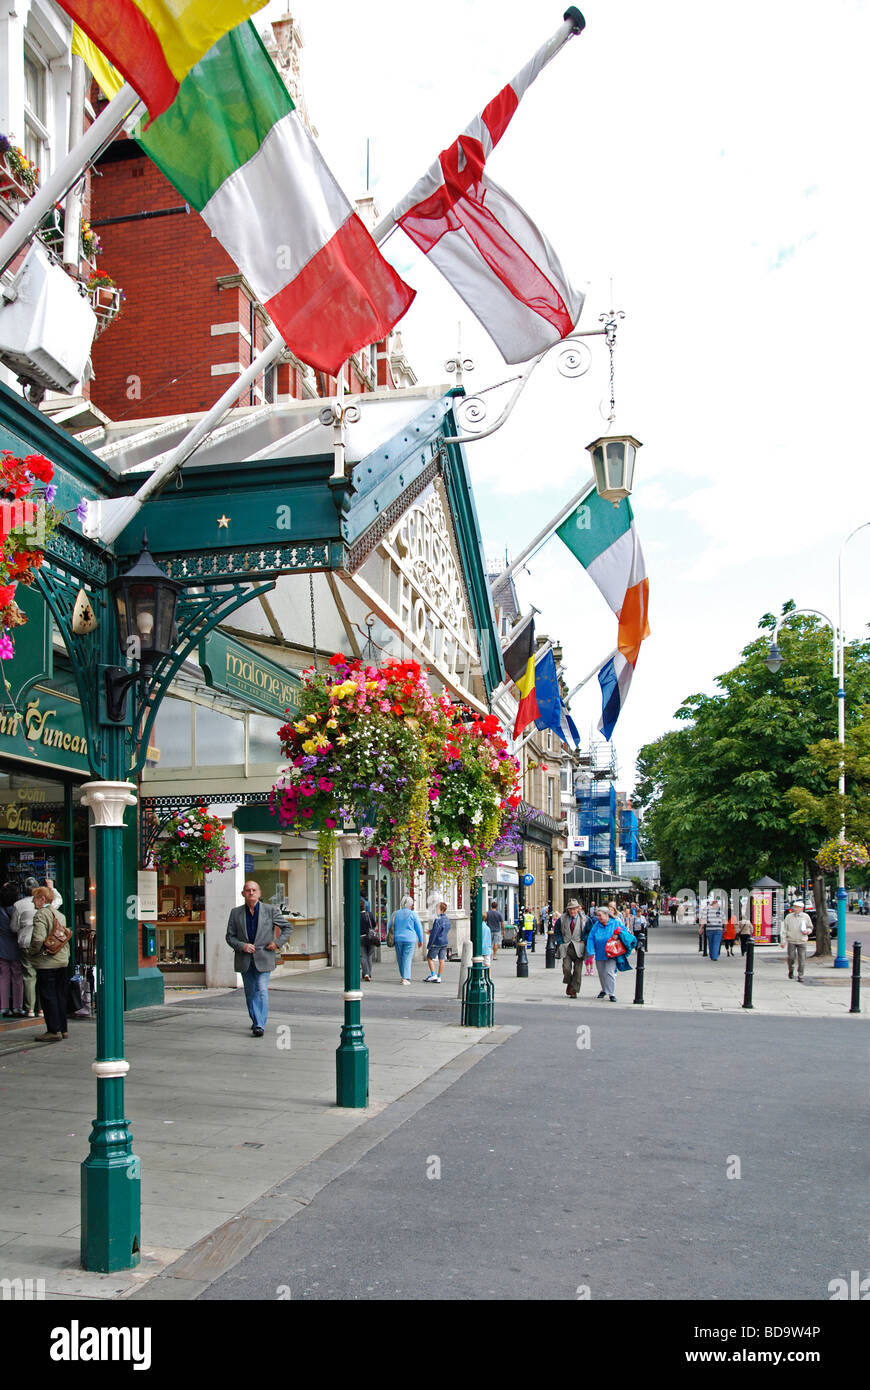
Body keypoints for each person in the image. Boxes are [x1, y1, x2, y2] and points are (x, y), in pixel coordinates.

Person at [225, 881, 293, 1036]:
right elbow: (229, 937)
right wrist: (242, 946)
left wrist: (277, 943)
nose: (251, 892)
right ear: (243, 894)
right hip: (245, 958)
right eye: (248, 890)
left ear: (259, 893)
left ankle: (259, 1025)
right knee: (250, 992)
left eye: (254, 890)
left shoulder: (270, 910)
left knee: (261, 990)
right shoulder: (235, 913)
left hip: (264, 957)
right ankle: (256, 1019)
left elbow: (288, 927)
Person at [11, 875, 62, 1018]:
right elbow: (59, 900)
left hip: (25, 943)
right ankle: (41, 1009)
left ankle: (30, 1009)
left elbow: (14, 927)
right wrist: (52, 888)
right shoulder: (47, 905)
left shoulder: (18, 905)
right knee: (42, 975)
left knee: (29, 976)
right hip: (42, 944)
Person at [26, 885, 70, 1040]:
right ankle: (63, 1028)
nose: (33, 902)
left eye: (35, 898)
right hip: (62, 960)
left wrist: (31, 952)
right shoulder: (59, 914)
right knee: (60, 995)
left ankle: (53, 1030)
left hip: (47, 962)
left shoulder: (40, 915)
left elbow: (38, 939)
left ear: (42, 899)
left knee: (48, 995)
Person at [585, 905, 636, 1001]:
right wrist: (590, 951)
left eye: (600, 915)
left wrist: (618, 935)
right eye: (597, 916)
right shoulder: (597, 925)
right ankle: (604, 989)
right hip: (600, 953)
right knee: (601, 973)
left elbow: (625, 932)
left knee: (609, 972)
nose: (598, 918)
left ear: (606, 914)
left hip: (612, 953)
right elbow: (591, 937)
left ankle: (611, 993)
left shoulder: (616, 922)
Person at [554, 899, 588, 998]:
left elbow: (589, 931)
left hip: (579, 947)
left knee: (578, 971)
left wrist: (584, 939)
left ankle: (574, 990)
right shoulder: (562, 919)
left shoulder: (585, 919)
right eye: (570, 909)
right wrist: (560, 942)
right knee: (566, 969)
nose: (572, 911)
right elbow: (557, 932)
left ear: (578, 909)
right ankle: (569, 982)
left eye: (574, 909)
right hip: (567, 947)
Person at [0, 881, 24, 1017]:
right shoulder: (16, 909)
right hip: (16, 947)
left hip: (2, 947)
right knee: (17, 977)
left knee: (3, 977)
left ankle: (3, 1007)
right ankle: (17, 1006)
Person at [390, 895, 424, 985]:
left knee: (400, 958)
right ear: (410, 904)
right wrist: (421, 939)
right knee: (407, 958)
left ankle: (403, 976)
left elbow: (389, 926)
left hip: (398, 939)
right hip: (410, 939)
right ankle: (405, 977)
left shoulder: (395, 913)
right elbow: (419, 928)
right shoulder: (413, 914)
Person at [782, 899, 812, 981]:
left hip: (802, 940)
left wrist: (808, 931)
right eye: (795, 907)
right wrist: (783, 941)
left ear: (801, 908)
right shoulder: (789, 917)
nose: (795, 909)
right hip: (791, 940)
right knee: (791, 958)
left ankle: (800, 975)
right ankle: (791, 970)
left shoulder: (806, 917)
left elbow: (810, 927)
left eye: (797, 907)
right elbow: (784, 929)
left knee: (802, 959)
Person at [425, 902, 450, 982]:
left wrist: (429, 945)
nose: (436, 910)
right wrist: (431, 931)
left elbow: (435, 933)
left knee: (429, 958)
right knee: (441, 959)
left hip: (436, 942)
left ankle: (433, 974)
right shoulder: (447, 919)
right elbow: (442, 930)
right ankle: (439, 976)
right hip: (444, 941)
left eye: (437, 908)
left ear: (441, 909)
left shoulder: (437, 920)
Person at [360, 895, 378, 983]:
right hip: (371, 938)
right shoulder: (369, 914)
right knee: (369, 956)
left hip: (361, 937)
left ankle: (365, 973)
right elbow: (374, 925)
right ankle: (368, 973)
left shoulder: (356, 916)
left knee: (363, 956)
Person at [702, 894, 725, 960]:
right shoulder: (721, 911)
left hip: (709, 929)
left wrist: (701, 928)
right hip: (718, 928)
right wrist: (725, 928)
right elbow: (724, 920)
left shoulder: (707, 910)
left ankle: (712, 955)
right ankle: (714, 956)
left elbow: (703, 920)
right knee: (716, 943)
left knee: (711, 942)